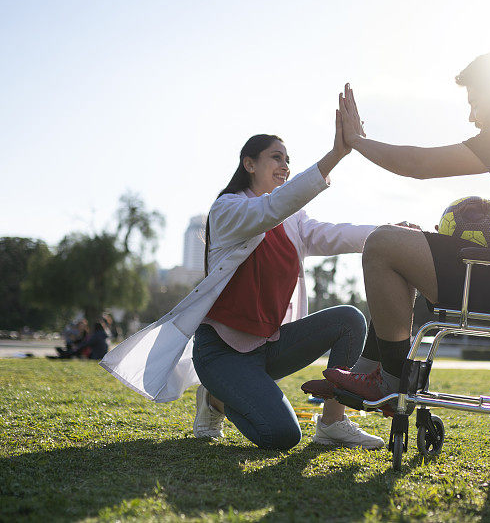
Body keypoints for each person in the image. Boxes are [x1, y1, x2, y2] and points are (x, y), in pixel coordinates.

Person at [307, 51, 490, 406]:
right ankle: (365, 372)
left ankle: (391, 382)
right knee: (402, 240)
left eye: (475, 102)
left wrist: (357, 141)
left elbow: (418, 164)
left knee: (383, 243)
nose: (472, 116)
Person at [102, 106, 384, 450]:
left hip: (269, 346)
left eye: (288, 159)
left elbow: (337, 233)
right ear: (249, 164)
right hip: (222, 354)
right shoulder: (229, 209)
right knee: (282, 436)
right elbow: (271, 209)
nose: (285, 166)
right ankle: (215, 400)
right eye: (275, 157)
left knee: (349, 320)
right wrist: (336, 155)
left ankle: (333, 422)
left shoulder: (293, 220)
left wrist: (388, 234)